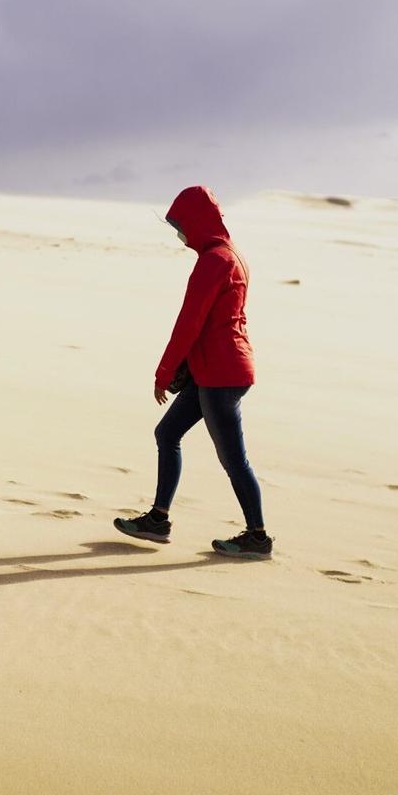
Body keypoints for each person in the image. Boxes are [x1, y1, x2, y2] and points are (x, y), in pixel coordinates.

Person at [114, 185, 274, 559]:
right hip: (217, 367)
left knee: (234, 458)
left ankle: (258, 537)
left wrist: (164, 370)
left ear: (198, 222)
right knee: (167, 432)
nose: (179, 234)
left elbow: (190, 322)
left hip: (221, 372)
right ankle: (158, 519)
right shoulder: (231, 255)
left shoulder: (214, 261)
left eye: (180, 224)